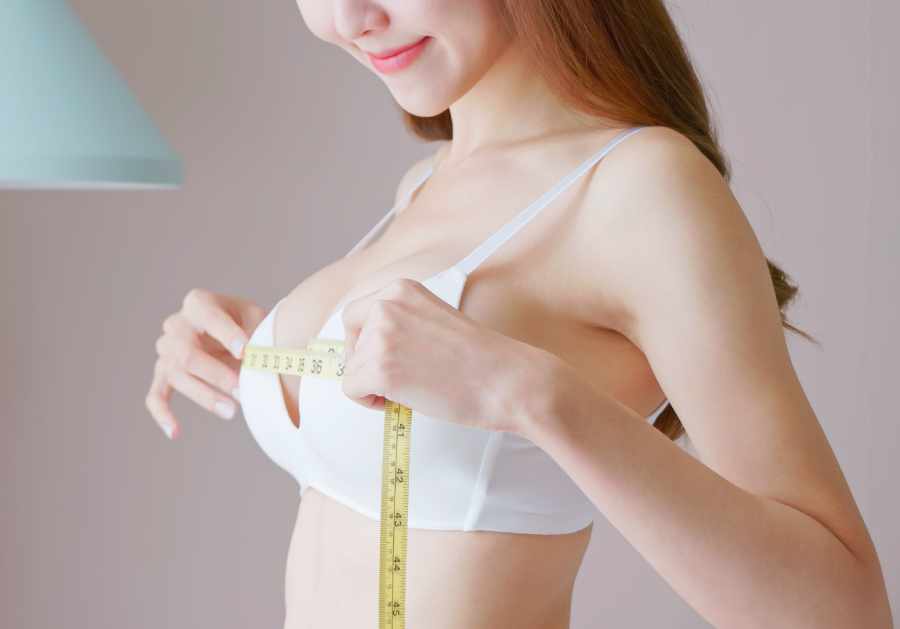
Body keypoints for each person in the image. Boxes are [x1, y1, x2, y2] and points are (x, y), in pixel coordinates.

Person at [146, 1, 893, 628]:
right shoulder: (424, 185)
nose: (349, 18)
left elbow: (846, 610)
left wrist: (531, 395)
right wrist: (266, 353)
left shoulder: (643, 187)